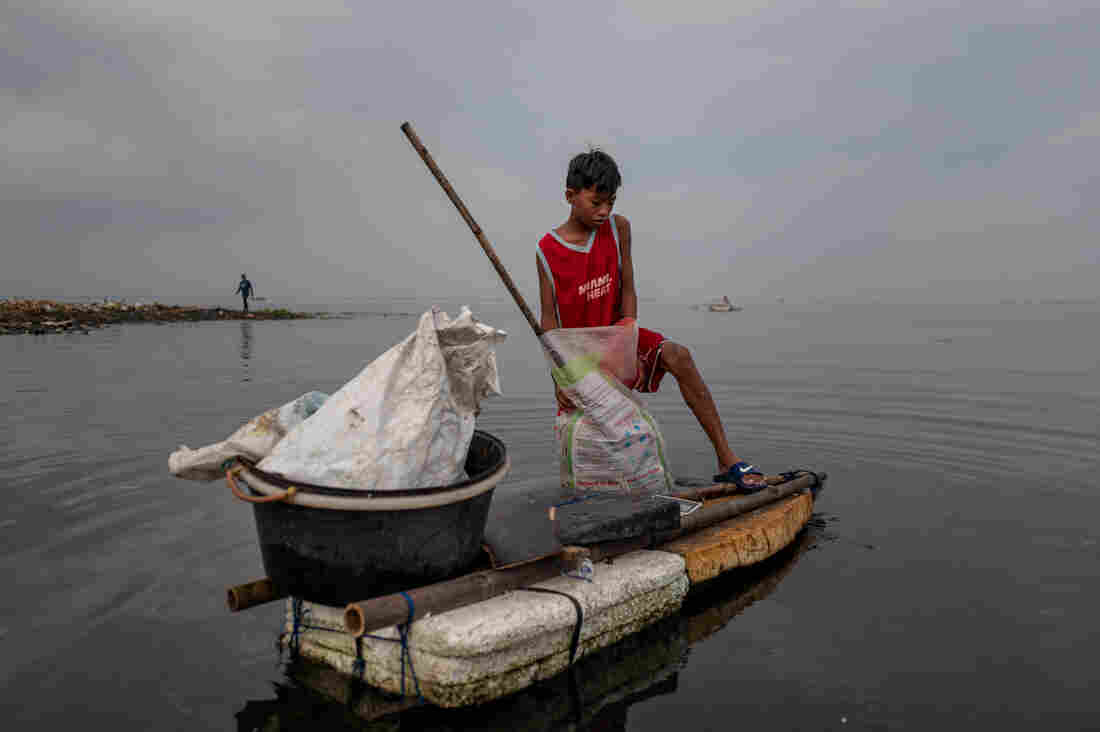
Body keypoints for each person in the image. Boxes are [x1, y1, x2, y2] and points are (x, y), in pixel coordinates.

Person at [535, 149, 767, 492]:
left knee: (679, 355)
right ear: (570, 196)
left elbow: (628, 285)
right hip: (580, 352)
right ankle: (607, 492)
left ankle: (726, 458)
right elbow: (549, 318)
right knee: (598, 431)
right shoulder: (547, 250)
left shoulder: (618, 228)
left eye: (610, 202)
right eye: (596, 202)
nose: (604, 212)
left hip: (619, 335)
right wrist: (559, 376)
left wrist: (628, 333)